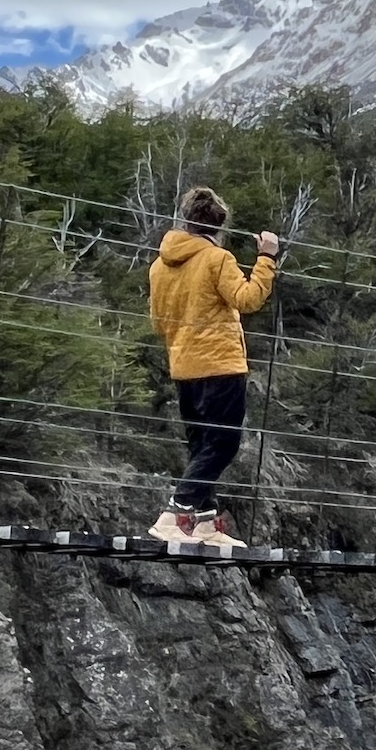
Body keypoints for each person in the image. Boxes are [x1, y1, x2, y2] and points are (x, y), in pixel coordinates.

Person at [146, 186, 280, 546]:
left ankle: (205, 523)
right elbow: (248, 299)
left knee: (200, 445)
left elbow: (158, 322)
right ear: (219, 226)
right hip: (220, 364)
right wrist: (266, 258)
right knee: (223, 443)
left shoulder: (160, 265)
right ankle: (174, 513)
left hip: (183, 365)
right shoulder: (217, 259)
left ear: (186, 221)